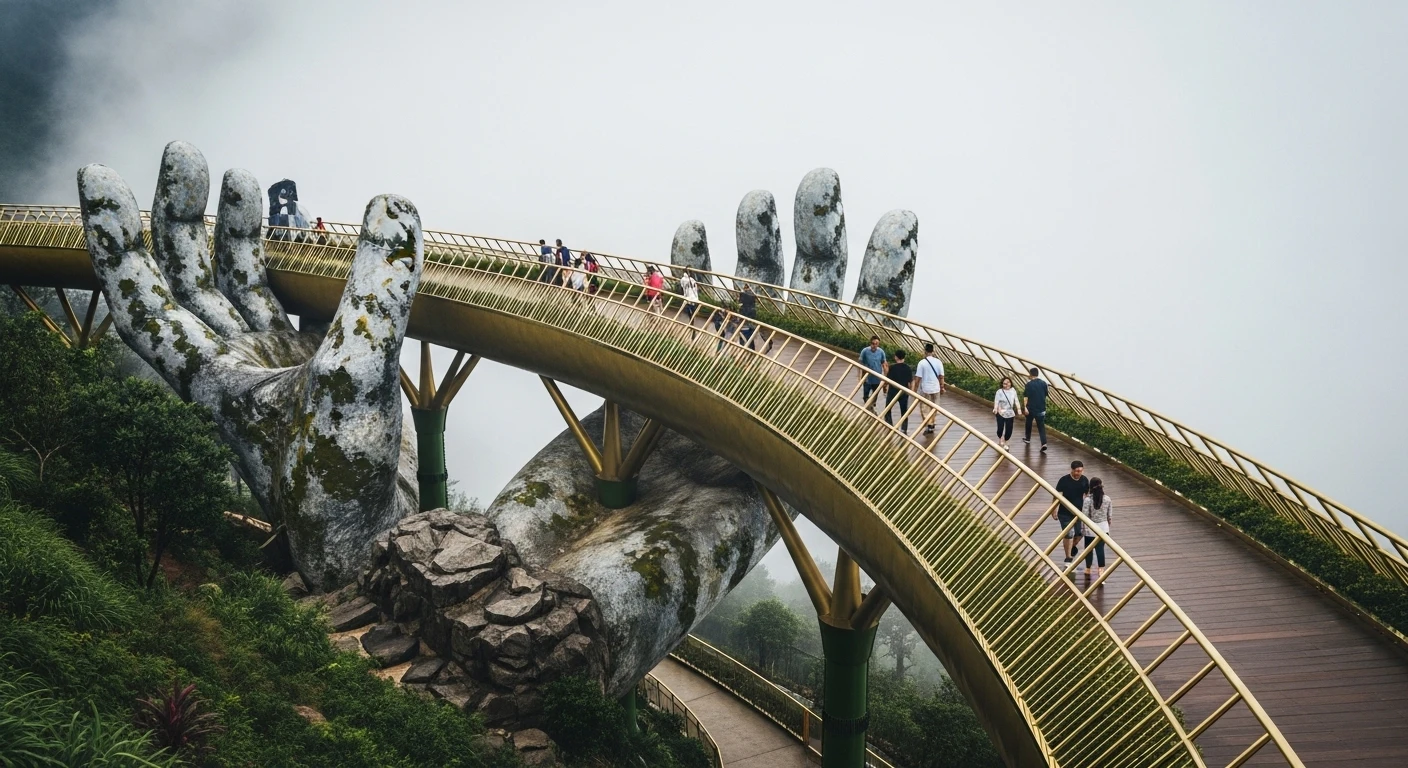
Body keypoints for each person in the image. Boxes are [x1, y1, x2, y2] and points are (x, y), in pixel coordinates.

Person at [1051, 460, 1089, 571]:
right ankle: (1068, 558)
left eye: (1080, 471)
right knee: (1069, 534)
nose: (1078, 473)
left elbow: (1087, 495)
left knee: (1080, 533)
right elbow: (1057, 496)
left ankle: (1072, 547)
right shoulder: (1064, 480)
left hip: (1079, 512)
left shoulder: (1084, 480)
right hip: (1064, 513)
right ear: (1072, 470)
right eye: (1077, 471)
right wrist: (1053, 510)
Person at [1079, 477, 1112, 580]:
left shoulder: (1088, 500)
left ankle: (1088, 568)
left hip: (1090, 528)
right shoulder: (1107, 499)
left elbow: (1084, 515)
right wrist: (1107, 526)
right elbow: (1109, 516)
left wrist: (1082, 528)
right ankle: (1101, 569)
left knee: (1088, 549)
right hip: (1103, 528)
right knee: (1100, 549)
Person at [913, 343, 945, 435]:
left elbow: (918, 378)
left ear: (925, 351)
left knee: (925, 408)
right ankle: (933, 423)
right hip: (936, 388)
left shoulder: (921, 363)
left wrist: (915, 389)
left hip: (926, 389)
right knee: (934, 407)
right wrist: (942, 386)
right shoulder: (938, 362)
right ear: (933, 351)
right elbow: (941, 376)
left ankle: (929, 425)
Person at [884, 349, 913, 434]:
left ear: (896, 357)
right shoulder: (908, 368)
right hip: (904, 393)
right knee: (904, 411)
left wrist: (885, 387)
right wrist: (910, 391)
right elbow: (910, 381)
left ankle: (890, 426)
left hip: (893, 392)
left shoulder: (892, 367)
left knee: (888, 409)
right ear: (904, 357)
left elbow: (887, 380)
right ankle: (904, 429)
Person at [1023, 366, 1049, 451]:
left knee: (1029, 423)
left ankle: (1028, 439)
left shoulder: (1028, 384)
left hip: (1031, 408)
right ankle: (1044, 443)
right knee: (1041, 426)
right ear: (1037, 374)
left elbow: (1026, 397)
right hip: (1041, 408)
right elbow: (1045, 394)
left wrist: (1025, 408)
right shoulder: (1044, 383)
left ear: (1030, 374)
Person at [858, 336, 887, 412]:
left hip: (877, 377)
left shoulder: (881, 352)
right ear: (870, 343)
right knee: (866, 395)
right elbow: (860, 362)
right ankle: (868, 407)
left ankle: (872, 405)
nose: (874, 345)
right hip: (867, 377)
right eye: (873, 343)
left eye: (876, 344)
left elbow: (884, 363)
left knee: (875, 394)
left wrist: (885, 376)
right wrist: (861, 373)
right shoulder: (865, 351)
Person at [992, 376, 1019, 450]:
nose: (1007, 385)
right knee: (1000, 428)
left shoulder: (1013, 390)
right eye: (1005, 384)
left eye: (1008, 383)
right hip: (1000, 412)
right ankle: (1000, 437)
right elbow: (996, 401)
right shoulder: (999, 391)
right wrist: (995, 408)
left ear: (1011, 383)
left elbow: (1016, 400)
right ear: (1002, 384)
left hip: (1010, 412)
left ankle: (1006, 441)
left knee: (1009, 428)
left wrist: (1019, 409)